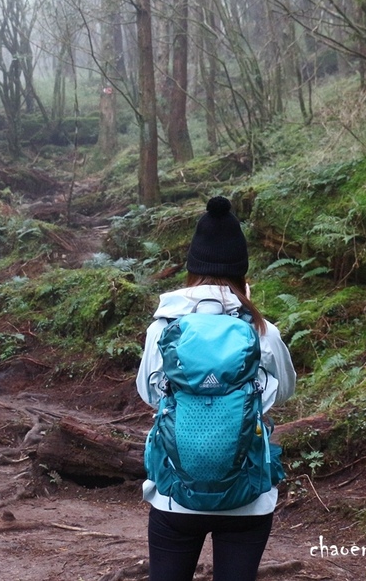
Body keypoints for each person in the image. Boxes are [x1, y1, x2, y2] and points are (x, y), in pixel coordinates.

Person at [136, 196, 297, 581]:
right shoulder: (261, 330)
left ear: (193, 269)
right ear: (242, 272)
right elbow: (286, 391)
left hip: (174, 495)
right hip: (248, 499)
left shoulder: (163, 327)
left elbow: (149, 392)